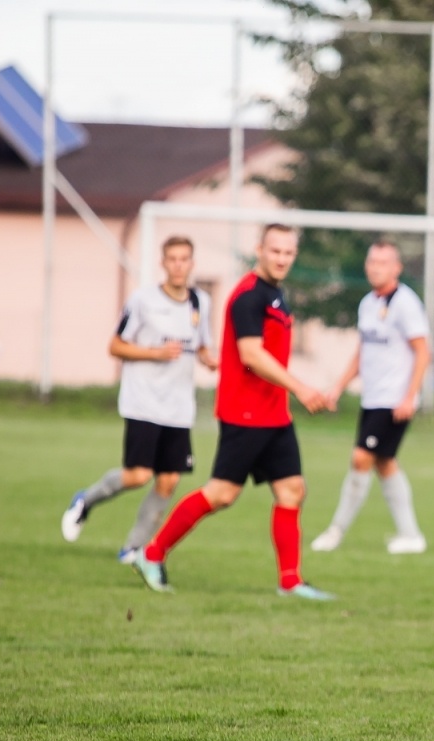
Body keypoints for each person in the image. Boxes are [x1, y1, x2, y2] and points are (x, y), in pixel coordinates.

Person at [131, 224, 336, 601]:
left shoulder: (275, 295)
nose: (282, 259)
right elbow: (251, 354)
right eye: (275, 251)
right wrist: (301, 387)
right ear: (259, 249)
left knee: (292, 490)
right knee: (222, 494)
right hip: (246, 413)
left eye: (288, 253)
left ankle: (290, 581)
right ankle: (150, 553)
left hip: (274, 415)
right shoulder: (248, 297)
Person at [60, 236, 216, 561]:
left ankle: (132, 548)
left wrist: (209, 358)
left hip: (178, 407)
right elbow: (115, 346)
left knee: (169, 480)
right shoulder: (142, 300)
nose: (178, 265)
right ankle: (85, 500)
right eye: (172, 258)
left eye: (184, 259)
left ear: (192, 263)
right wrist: (154, 353)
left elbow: (201, 345)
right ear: (163, 263)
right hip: (144, 401)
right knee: (139, 475)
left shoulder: (200, 302)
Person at [311, 240, 431, 554]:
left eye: (382, 262)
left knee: (361, 457)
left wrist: (409, 396)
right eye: (371, 261)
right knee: (385, 463)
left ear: (396, 268)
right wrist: (338, 386)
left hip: (394, 401)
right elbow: (361, 353)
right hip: (372, 399)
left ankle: (335, 531)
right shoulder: (367, 303)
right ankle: (411, 536)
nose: (375, 267)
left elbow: (422, 352)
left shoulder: (406, 303)